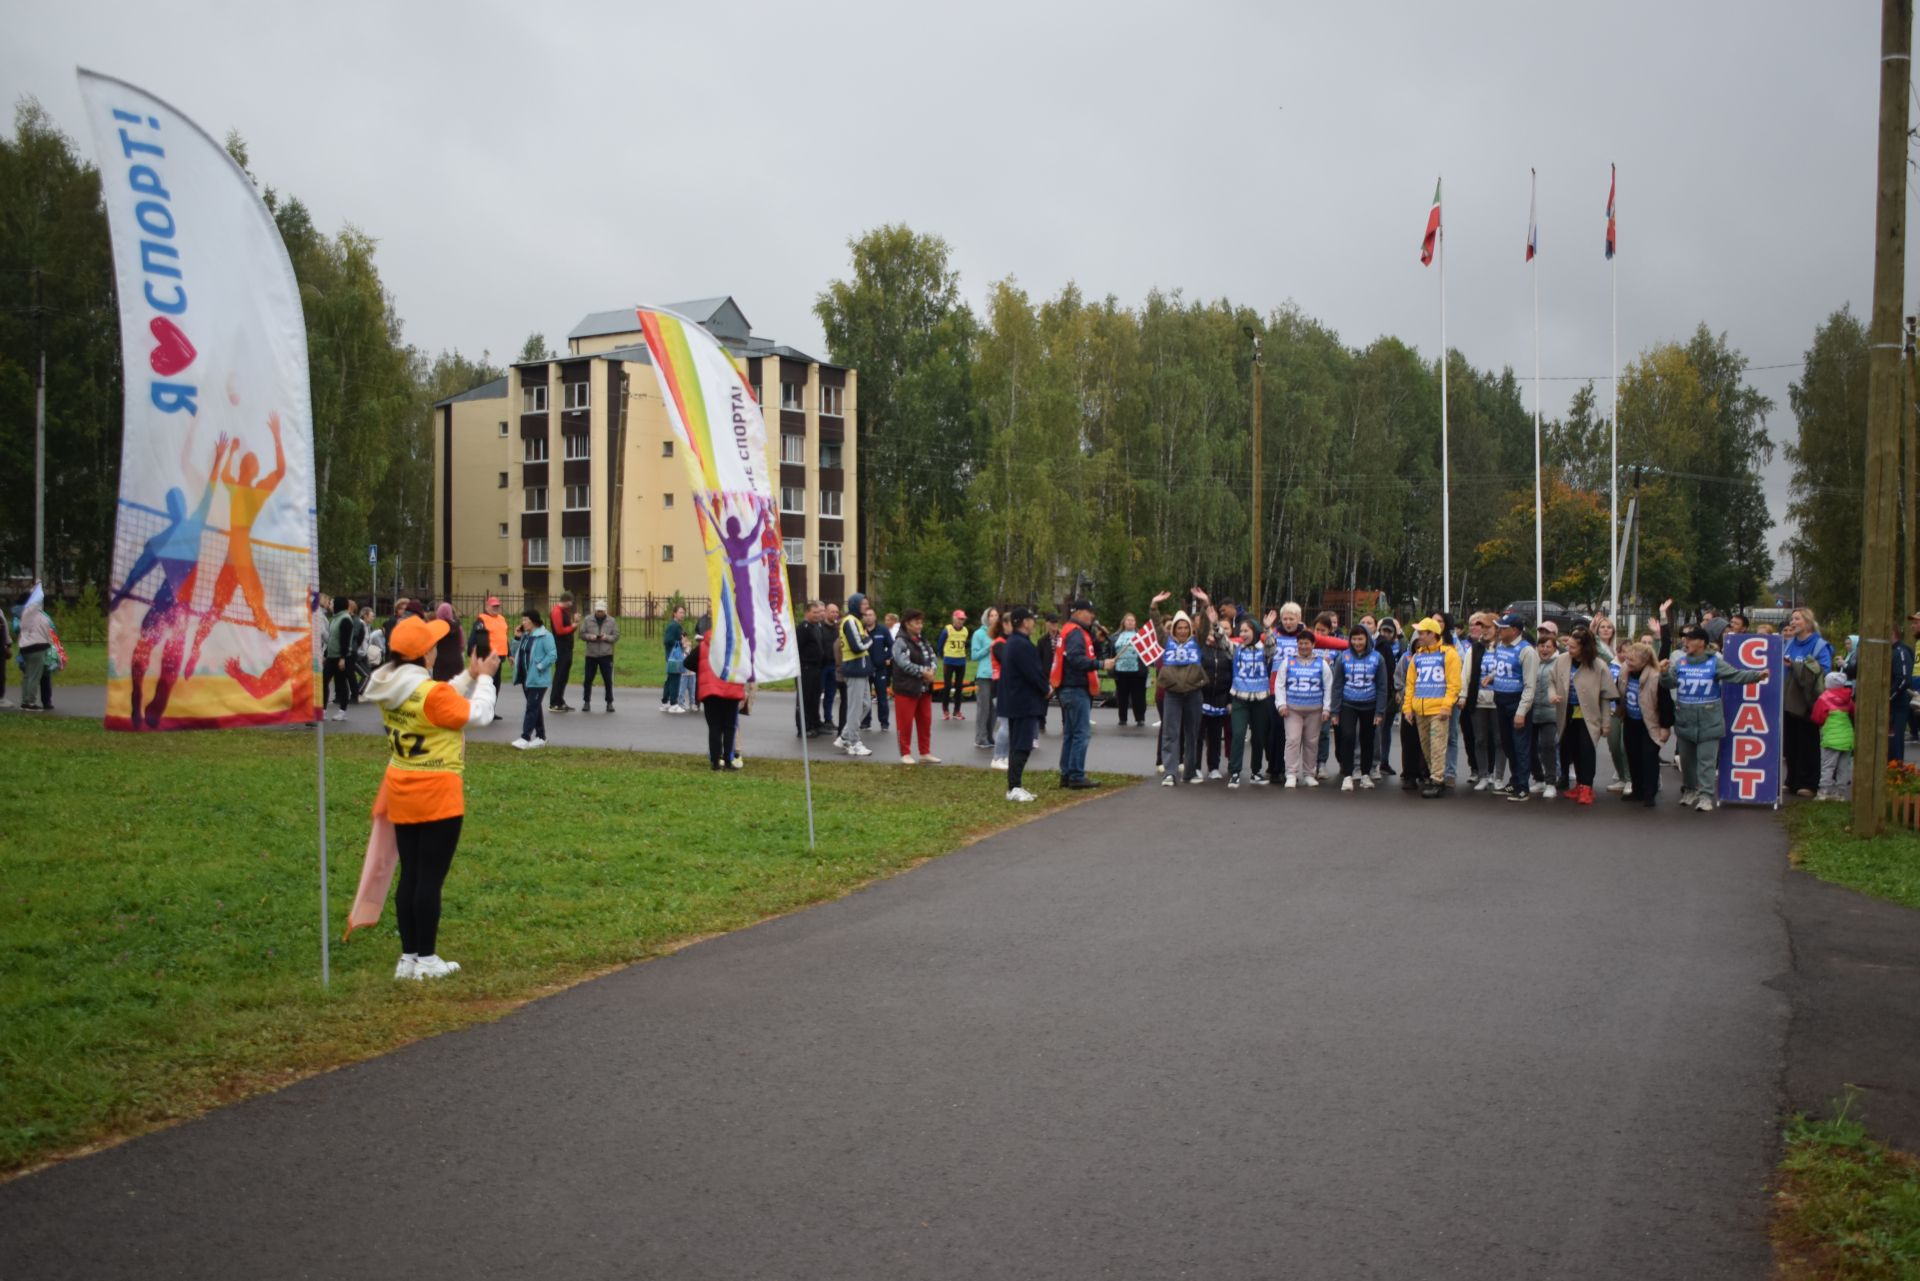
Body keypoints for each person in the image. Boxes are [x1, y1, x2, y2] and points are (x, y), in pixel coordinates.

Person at [362, 614, 500, 980]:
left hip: (401, 790)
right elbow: (478, 714)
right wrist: (485, 677)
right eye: (434, 646)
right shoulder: (430, 694)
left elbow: (438, 700)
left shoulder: (391, 688)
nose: (437, 650)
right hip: (438, 794)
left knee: (410, 875)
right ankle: (427, 959)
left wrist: (468, 677)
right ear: (425, 656)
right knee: (430, 879)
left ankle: (408, 958)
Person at [186, 414, 289, 677]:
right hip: (240, 554)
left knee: (217, 608)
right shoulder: (255, 491)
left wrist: (229, 452)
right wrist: (276, 437)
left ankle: (196, 646)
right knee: (257, 606)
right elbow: (280, 472)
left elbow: (226, 474)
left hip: (233, 553)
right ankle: (278, 649)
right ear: (253, 471)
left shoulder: (236, 488)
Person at [1661, 622, 1768, 812]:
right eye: (1685, 638)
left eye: (1690, 639)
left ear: (1702, 642)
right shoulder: (1681, 662)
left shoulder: (1714, 662)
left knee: (1706, 761)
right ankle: (1690, 790)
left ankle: (1706, 796)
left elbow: (1735, 675)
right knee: (1686, 761)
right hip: (1685, 720)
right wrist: (1663, 674)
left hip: (1709, 720)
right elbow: (1669, 684)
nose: (1686, 642)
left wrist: (1756, 676)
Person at [1150, 591, 1208, 785]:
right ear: (1173, 629)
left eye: (1185, 627)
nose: (1182, 631)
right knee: (1171, 733)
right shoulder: (1166, 642)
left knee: (1192, 734)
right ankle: (1170, 773)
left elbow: (1206, 626)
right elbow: (1157, 627)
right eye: (1179, 627)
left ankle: (1189, 772)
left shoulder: (1197, 641)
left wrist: (1205, 604)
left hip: (1193, 692)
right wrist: (1154, 607)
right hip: (1172, 694)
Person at [1053, 599, 1110, 790]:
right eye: (1089, 612)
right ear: (1078, 612)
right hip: (1076, 687)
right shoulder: (1076, 633)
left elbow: (1082, 653)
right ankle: (1076, 775)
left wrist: (1098, 641)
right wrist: (1100, 665)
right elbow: (1077, 660)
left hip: (1067, 687)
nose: (1092, 616)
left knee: (1070, 733)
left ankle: (1067, 773)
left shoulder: (1070, 630)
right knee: (1081, 733)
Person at [1402, 617, 1460, 798]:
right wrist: (1407, 708)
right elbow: (1410, 684)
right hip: (1420, 709)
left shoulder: (1448, 654)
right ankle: (1433, 775)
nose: (1419, 636)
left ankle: (1437, 780)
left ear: (1432, 634)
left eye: (1422, 633)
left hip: (1438, 710)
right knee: (1426, 746)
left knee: (1437, 746)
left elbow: (1454, 684)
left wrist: (1446, 705)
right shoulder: (1418, 656)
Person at [1485, 613, 1540, 803]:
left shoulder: (1527, 651)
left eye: (1502, 628)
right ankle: (1515, 780)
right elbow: (1504, 667)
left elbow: (1530, 685)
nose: (1499, 631)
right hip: (1501, 700)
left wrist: (1521, 712)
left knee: (1520, 746)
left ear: (1515, 630)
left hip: (1517, 702)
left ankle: (1523, 787)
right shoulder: (1501, 646)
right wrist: (1492, 676)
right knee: (1508, 744)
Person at [1556, 625, 1614, 805]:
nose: (1568, 649)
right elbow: (1552, 680)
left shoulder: (1598, 665)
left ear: (1584, 648)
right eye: (1568, 646)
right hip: (1568, 712)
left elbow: (1606, 696)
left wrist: (1606, 723)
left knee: (1586, 750)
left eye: (1573, 647)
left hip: (1589, 714)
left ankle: (1587, 787)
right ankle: (1580, 784)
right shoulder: (1562, 660)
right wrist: (1552, 694)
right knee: (1571, 749)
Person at [1782, 607, 1834, 797]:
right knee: (1790, 741)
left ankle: (1809, 782)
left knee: (1808, 743)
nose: (1792, 622)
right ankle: (1792, 779)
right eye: (1792, 619)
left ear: (1808, 623)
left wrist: (1796, 666)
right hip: (1789, 700)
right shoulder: (1789, 644)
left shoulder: (1819, 645)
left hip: (1808, 702)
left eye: (1797, 619)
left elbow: (1824, 670)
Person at [999, 607, 1049, 802]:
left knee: (1018, 744)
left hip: (1016, 700)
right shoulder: (1021, 645)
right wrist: (1046, 688)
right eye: (1030, 619)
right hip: (1023, 701)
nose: (1033, 623)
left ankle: (1015, 786)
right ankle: (1014, 787)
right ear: (1023, 622)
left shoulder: (1015, 642)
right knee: (1022, 744)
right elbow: (1033, 672)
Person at [1843, 624, 1914, 763]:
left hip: (1895, 707)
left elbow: (1903, 680)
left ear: (1891, 633)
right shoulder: (1875, 652)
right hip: (1873, 706)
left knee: (1892, 746)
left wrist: (1886, 699)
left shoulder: (1900, 651)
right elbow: (1853, 672)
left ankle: (1894, 778)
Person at [1276, 630, 1333, 788]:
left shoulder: (1322, 663)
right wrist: (1281, 704)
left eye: (1306, 643)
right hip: (1292, 710)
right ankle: (1291, 774)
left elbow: (1328, 687)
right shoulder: (1288, 662)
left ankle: (1309, 774)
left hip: (1315, 710)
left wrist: (1327, 708)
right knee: (1293, 740)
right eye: (1300, 643)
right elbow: (1279, 684)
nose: (1303, 646)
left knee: (1311, 742)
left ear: (1313, 645)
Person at [1616, 641, 1668, 808]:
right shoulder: (1625, 671)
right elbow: (1619, 692)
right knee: (1633, 756)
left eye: (1632, 660)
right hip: (1631, 720)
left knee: (1649, 758)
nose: (1628, 662)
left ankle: (1649, 793)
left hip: (1649, 723)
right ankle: (1637, 790)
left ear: (1644, 661)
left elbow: (1666, 704)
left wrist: (1665, 727)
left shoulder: (1655, 677)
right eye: (1627, 659)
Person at [690, 617, 747, 771]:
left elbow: (687, 662)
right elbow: (746, 665)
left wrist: (703, 671)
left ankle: (715, 762)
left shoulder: (703, 646)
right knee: (729, 727)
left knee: (714, 727)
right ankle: (728, 761)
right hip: (732, 690)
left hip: (711, 693)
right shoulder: (736, 646)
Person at [1226, 618, 1277, 788]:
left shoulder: (1264, 650)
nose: (1242, 634)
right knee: (1239, 734)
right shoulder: (1236, 649)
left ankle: (1256, 771)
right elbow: (1222, 642)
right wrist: (1215, 625)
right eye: (1240, 631)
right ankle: (1234, 772)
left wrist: (1268, 628)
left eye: (1246, 631)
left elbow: (1271, 646)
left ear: (1255, 632)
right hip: (1240, 698)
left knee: (1259, 737)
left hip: (1260, 699)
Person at [1333, 622, 1384, 790]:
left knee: (1367, 739)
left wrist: (1380, 711)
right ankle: (1347, 775)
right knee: (1347, 736)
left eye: (1360, 639)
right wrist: (1335, 710)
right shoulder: (1344, 657)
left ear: (1367, 639)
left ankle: (1365, 774)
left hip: (1369, 704)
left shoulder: (1377, 658)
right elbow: (1337, 685)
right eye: (1354, 639)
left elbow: (1382, 686)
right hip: (1348, 704)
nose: (1357, 643)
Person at [891, 609, 941, 764]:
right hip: (906, 688)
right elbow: (903, 664)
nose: (920, 625)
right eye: (916, 622)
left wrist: (932, 669)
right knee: (905, 723)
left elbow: (932, 656)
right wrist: (923, 672)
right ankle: (905, 753)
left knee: (925, 721)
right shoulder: (900, 642)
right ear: (907, 624)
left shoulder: (923, 640)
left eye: (921, 622)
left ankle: (925, 752)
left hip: (924, 689)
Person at [834, 592, 875, 756]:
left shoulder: (857, 622)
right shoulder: (850, 622)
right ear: (855, 605)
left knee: (865, 705)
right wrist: (869, 639)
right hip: (854, 668)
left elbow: (862, 642)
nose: (866, 606)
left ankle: (844, 736)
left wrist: (866, 639)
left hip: (862, 668)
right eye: (863, 604)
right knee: (855, 707)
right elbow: (858, 646)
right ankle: (854, 741)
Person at [1527, 622, 1564, 799]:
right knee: (1531, 747)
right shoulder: (1533, 661)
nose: (1544, 649)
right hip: (1532, 711)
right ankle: (1538, 779)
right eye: (1541, 646)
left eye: (1548, 646)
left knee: (1548, 746)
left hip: (1551, 712)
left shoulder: (1560, 663)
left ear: (1555, 647)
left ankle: (1551, 782)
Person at [510, 608, 555, 749]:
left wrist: (540, 666)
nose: (523, 623)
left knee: (531, 707)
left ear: (533, 621)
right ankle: (541, 737)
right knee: (535, 707)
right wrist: (517, 637)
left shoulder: (545, 636)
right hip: (526, 678)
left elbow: (552, 655)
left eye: (525, 620)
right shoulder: (526, 635)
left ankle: (525, 737)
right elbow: (515, 652)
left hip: (538, 679)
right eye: (522, 620)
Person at [1198, 614, 1235, 780]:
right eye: (1210, 633)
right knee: (1198, 734)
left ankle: (1213, 767)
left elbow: (1232, 676)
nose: (1212, 637)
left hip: (1220, 698)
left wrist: (1229, 700)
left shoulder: (1227, 652)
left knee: (1215, 736)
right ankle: (1195, 766)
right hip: (1201, 698)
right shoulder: (1200, 650)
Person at [1811, 671, 1855, 801]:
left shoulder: (1824, 698)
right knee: (1844, 766)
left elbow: (1817, 717)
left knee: (1828, 766)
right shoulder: (1848, 698)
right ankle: (1840, 793)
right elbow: (1854, 712)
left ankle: (1824, 791)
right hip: (1847, 737)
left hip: (1830, 737)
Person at [15, 586, 55, 711]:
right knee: (34, 676)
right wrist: (38, 587)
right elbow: (38, 600)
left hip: (26, 647)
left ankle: (25, 700)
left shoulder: (24, 615)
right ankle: (30, 703)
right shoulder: (33, 613)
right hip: (37, 648)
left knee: (28, 675)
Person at [579, 599, 619, 712]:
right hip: (591, 654)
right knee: (588, 679)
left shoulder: (612, 621)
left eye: (601, 611)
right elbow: (581, 634)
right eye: (598, 611)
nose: (599, 613)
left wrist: (607, 638)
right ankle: (586, 702)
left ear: (605, 610)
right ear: (595, 610)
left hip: (606, 654)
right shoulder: (587, 620)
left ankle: (609, 702)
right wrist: (590, 637)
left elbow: (616, 635)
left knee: (608, 680)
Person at [1373, 617, 1401, 778]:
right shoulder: (1378, 645)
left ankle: (1384, 761)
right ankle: (1374, 762)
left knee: (1386, 728)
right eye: (1383, 630)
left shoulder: (1402, 646)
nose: (1385, 634)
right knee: (1376, 728)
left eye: (1389, 631)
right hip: (1379, 691)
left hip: (1393, 692)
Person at [795, 600, 828, 737]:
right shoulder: (803, 628)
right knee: (805, 699)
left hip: (816, 668)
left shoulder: (817, 626)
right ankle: (803, 727)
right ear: (807, 613)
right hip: (806, 668)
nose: (817, 615)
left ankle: (815, 724)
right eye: (814, 613)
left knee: (814, 698)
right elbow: (798, 648)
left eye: (819, 612)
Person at [1110, 612, 1147, 727]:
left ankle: (1140, 718)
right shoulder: (1115, 636)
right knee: (1122, 696)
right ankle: (1122, 718)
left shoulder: (1141, 636)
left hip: (1137, 671)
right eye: (1128, 620)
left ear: (1135, 623)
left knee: (1139, 696)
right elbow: (1111, 651)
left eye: (1133, 620)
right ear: (1124, 623)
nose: (1130, 622)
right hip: (1121, 670)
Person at [971, 606, 1001, 750]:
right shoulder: (979, 634)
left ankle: (989, 736)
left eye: (996, 615)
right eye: (991, 616)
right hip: (984, 675)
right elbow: (974, 655)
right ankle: (980, 737)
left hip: (997, 675)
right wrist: (989, 647)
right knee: (984, 708)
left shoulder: (998, 634)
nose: (994, 618)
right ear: (986, 618)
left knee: (994, 708)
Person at [325, 596, 358, 721]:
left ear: (338, 604)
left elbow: (345, 641)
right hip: (331, 657)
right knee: (323, 681)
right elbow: (331, 640)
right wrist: (325, 655)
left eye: (332, 602)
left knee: (341, 684)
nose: (330, 604)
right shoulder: (334, 619)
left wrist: (342, 658)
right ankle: (323, 710)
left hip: (341, 658)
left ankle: (342, 711)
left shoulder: (345, 619)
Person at [937, 609, 970, 721]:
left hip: (961, 661)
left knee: (959, 687)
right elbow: (940, 645)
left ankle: (957, 711)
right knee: (947, 686)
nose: (961, 621)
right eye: (959, 619)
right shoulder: (947, 630)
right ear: (954, 619)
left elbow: (965, 644)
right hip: (949, 662)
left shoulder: (965, 630)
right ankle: (945, 710)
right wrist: (943, 656)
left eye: (963, 619)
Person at [864, 602, 892, 733]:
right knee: (865, 698)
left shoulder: (883, 630)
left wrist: (886, 657)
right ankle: (865, 722)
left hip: (880, 668)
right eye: (866, 615)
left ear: (875, 617)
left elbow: (892, 645)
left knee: (882, 697)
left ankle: (884, 723)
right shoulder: (861, 629)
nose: (868, 617)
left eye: (871, 615)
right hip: (864, 668)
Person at [548, 593, 577, 711]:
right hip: (560, 646)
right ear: (567, 600)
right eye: (571, 601)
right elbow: (559, 630)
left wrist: (574, 623)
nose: (572, 604)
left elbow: (568, 628)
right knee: (560, 674)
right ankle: (554, 702)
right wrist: (573, 626)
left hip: (567, 646)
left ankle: (560, 700)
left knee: (564, 674)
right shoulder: (557, 611)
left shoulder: (564, 611)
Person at [820, 601, 843, 728]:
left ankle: (828, 719)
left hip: (834, 666)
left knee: (831, 694)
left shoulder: (838, 629)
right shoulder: (820, 628)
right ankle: (815, 720)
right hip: (822, 666)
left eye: (836, 612)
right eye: (832, 612)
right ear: (826, 613)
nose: (835, 614)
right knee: (818, 693)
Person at [661, 604, 686, 712]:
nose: (682, 614)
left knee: (670, 679)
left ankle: (665, 702)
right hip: (674, 657)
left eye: (683, 612)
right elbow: (667, 640)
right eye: (680, 612)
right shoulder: (674, 626)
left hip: (671, 657)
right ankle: (674, 704)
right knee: (675, 679)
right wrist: (680, 641)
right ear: (674, 614)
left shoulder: (676, 626)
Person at [429, 602, 464, 682]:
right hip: (456, 661)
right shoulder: (458, 627)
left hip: (440, 662)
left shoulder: (436, 627)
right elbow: (462, 645)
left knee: (440, 689)